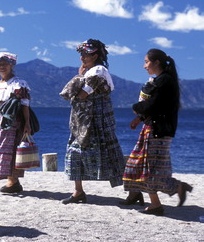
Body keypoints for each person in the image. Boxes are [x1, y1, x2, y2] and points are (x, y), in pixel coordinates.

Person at [121, 49, 193, 216]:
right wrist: (139, 118)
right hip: (152, 128)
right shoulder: (160, 80)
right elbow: (155, 106)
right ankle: (135, 193)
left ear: (156, 62)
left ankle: (156, 204)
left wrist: (136, 108)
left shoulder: (164, 81)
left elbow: (154, 104)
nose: (144, 65)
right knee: (136, 163)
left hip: (158, 130)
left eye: (146, 62)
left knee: (150, 168)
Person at [59, 39, 125, 204]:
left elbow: (81, 95)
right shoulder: (92, 71)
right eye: (81, 54)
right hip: (85, 121)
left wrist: (79, 76)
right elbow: (74, 95)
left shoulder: (98, 71)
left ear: (95, 55)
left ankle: (134, 191)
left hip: (98, 120)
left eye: (86, 54)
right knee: (75, 153)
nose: (82, 57)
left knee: (111, 155)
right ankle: (78, 191)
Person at [0, 52, 31, 193]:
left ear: (11, 65)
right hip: (0, 123)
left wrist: (27, 123)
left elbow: (25, 104)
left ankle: (13, 182)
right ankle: (12, 181)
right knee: (1, 150)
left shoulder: (18, 84)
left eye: (5, 64)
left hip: (14, 122)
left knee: (13, 150)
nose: (2, 67)